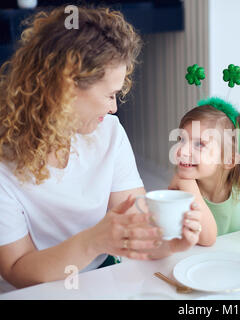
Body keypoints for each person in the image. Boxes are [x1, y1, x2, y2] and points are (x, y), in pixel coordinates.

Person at [0, 6, 202, 290]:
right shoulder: (4, 164)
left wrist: (171, 242)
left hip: (100, 279)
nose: (113, 107)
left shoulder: (109, 134)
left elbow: (137, 229)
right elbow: (17, 269)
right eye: (109, 94)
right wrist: (93, 240)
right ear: (66, 86)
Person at [168, 97, 240, 236]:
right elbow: (204, 238)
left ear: (229, 160)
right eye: (181, 139)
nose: (181, 151)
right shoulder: (180, 189)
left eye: (199, 144)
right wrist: (188, 186)